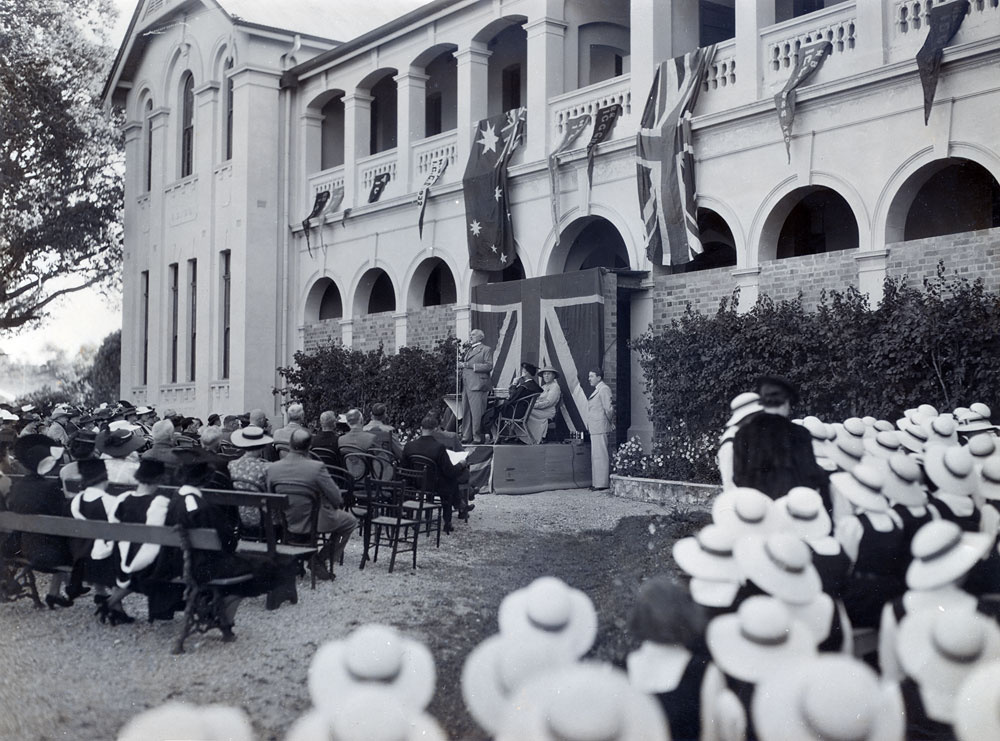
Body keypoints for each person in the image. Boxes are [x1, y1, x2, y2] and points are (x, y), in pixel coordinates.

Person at [266, 428, 357, 580]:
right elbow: (336, 498)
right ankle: (321, 559)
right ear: (309, 447)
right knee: (350, 522)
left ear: (289, 444)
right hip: (314, 521)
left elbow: (271, 498)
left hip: (286, 521)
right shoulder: (316, 468)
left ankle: (303, 558)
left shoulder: (273, 468)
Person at [732, 375, 827, 500]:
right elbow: (809, 474)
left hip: (757, 508)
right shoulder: (799, 433)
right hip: (791, 508)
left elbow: (738, 477)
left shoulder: (742, 434)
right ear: (786, 402)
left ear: (763, 403)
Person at [402, 414, 469, 533]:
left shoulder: (409, 446)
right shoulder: (439, 447)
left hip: (416, 485)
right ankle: (449, 518)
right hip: (435, 485)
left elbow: (403, 468)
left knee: (447, 477)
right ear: (436, 429)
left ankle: (459, 503)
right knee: (450, 479)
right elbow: (450, 471)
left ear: (421, 428)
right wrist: (461, 464)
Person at [457, 329, 493, 444]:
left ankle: (477, 437)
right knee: (466, 411)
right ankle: (466, 436)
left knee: (477, 412)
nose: (470, 336)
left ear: (480, 337)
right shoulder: (469, 350)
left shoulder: (485, 350)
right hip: (467, 385)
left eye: (473, 335)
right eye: (470, 334)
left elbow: (489, 366)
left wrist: (468, 365)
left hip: (478, 385)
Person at [585, 368, 614, 490]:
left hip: (600, 426)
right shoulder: (598, 390)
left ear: (599, 377)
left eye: (591, 376)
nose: (589, 379)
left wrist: (609, 423)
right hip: (596, 427)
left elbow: (609, 409)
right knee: (596, 455)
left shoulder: (604, 389)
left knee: (600, 455)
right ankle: (597, 483)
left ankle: (602, 483)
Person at [522, 366, 560, 445]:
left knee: (527, 412)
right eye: (544, 374)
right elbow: (536, 399)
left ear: (553, 376)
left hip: (548, 411)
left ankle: (532, 437)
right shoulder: (543, 387)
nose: (546, 376)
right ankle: (524, 436)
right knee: (523, 411)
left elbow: (549, 402)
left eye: (549, 374)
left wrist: (533, 406)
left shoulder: (555, 387)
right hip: (540, 409)